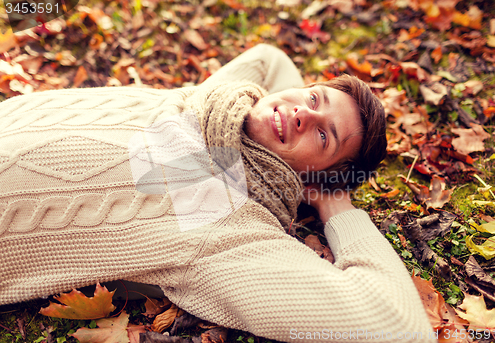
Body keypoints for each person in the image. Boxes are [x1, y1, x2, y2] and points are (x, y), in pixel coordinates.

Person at [0, 44, 435, 342]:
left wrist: (337, 205)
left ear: (312, 179)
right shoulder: (214, 101)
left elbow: (398, 327)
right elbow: (269, 58)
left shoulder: (225, 225)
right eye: (314, 97)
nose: (302, 112)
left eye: (325, 137)